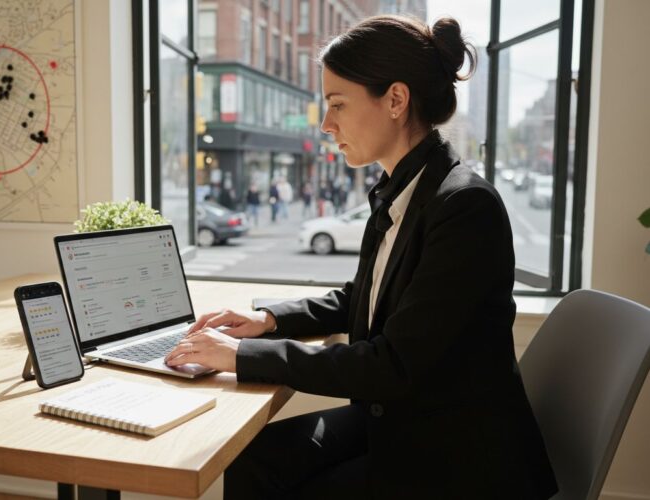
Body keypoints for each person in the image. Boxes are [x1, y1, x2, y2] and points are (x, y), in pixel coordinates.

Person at [165, 14, 557, 500]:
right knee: (252, 458)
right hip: (402, 420)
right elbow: (364, 296)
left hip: (454, 455)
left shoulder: (464, 207)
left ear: (395, 99)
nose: (327, 124)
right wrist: (265, 320)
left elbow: (391, 364)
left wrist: (243, 356)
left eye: (337, 105)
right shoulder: (402, 187)